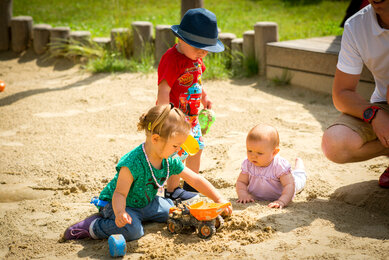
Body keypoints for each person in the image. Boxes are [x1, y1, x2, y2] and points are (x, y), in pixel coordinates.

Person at [62, 104, 232, 241]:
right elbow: (119, 193)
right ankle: (93, 225)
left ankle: (138, 216)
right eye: (175, 145)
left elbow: (195, 179)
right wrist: (121, 213)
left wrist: (218, 199)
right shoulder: (133, 163)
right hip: (118, 204)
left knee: (172, 211)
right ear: (156, 139)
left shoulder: (169, 159)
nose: (179, 150)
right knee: (133, 231)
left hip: (147, 202)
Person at [156, 8, 225, 200]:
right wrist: (164, 115)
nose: (202, 53)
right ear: (181, 39)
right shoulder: (171, 60)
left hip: (192, 119)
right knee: (177, 155)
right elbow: (164, 89)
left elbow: (197, 81)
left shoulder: (196, 59)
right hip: (175, 119)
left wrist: (205, 97)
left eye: (206, 50)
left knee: (197, 149)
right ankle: (172, 190)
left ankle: (190, 186)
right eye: (198, 48)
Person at [321, 1, 389, 188]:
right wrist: (374, 114)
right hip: (384, 103)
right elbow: (342, 93)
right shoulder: (357, 25)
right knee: (334, 144)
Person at [235, 124, 307, 208]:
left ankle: (299, 167)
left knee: (299, 178)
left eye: (260, 153)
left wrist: (282, 201)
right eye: (249, 150)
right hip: (258, 196)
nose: (253, 156)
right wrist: (243, 194)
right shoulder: (248, 164)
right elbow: (241, 182)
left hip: (285, 189)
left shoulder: (279, 166)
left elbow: (289, 185)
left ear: (274, 153)